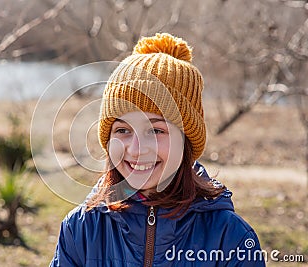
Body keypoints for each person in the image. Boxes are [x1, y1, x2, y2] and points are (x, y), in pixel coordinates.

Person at [50, 33, 265, 266]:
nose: (136, 149)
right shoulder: (81, 230)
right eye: (123, 130)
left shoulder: (231, 239)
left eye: (156, 131)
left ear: (186, 141)